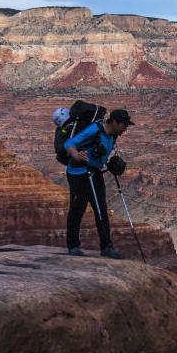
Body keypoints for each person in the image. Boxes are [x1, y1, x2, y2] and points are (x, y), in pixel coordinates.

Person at [64, 109, 132, 258]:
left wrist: (111, 163)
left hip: (95, 173)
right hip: (78, 174)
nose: (126, 129)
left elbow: (100, 152)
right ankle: (73, 246)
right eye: (124, 125)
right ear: (114, 122)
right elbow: (69, 143)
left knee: (101, 210)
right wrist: (76, 155)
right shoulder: (95, 130)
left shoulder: (113, 135)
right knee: (77, 209)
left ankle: (106, 247)